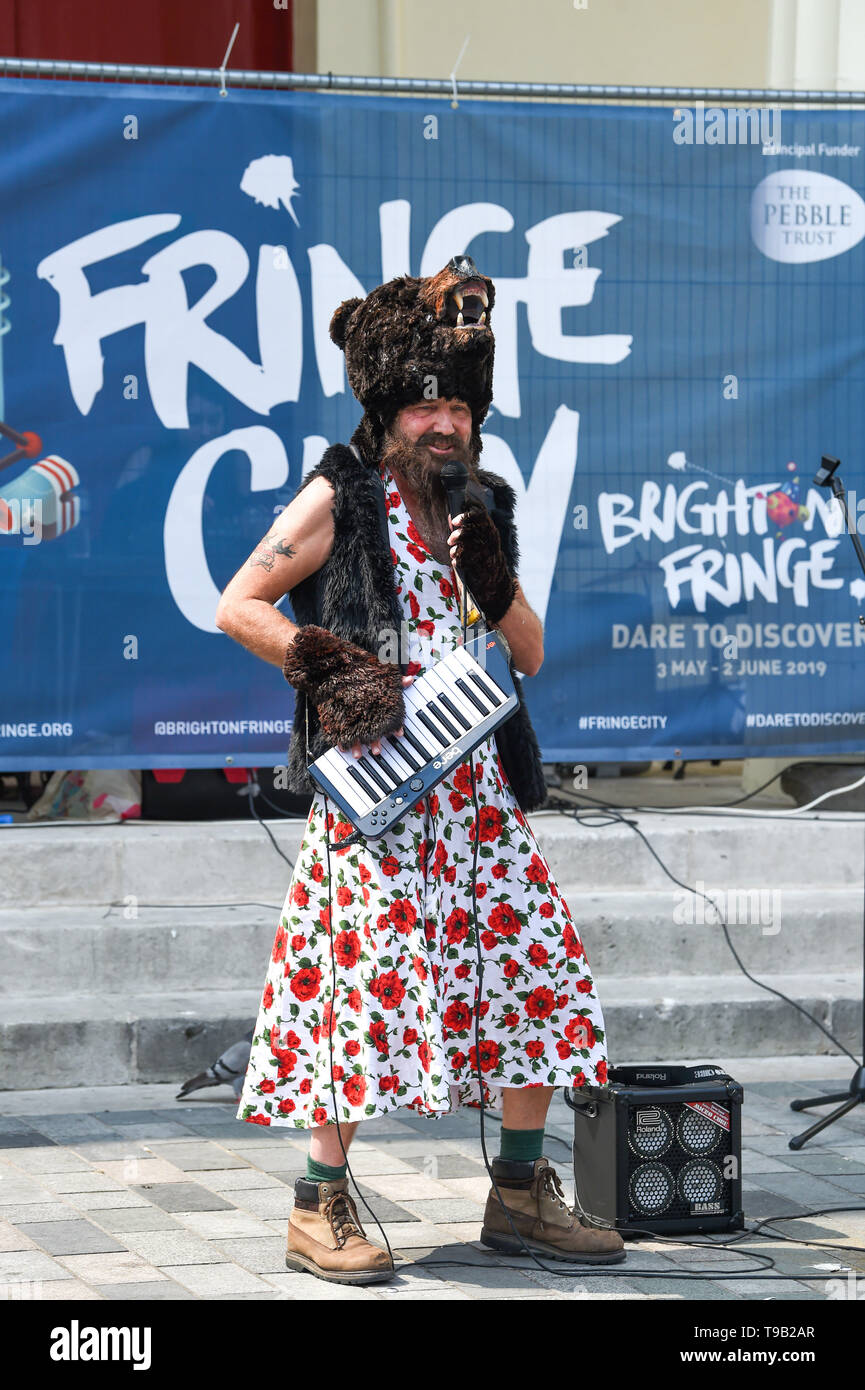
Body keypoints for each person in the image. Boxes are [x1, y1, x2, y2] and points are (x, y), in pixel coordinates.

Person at [215, 254, 625, 1284]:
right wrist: (328, 666)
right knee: (355, 987)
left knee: (540, 972)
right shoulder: (341, 488)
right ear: (387, 409)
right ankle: (319, 1206)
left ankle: (521, 1193)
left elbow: (525, 653)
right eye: (422, 406)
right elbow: (240, 605)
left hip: (476, 799)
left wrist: (494, 577)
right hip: (374, 795)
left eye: (456, 405)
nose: (442, 423)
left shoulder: (482, 496)